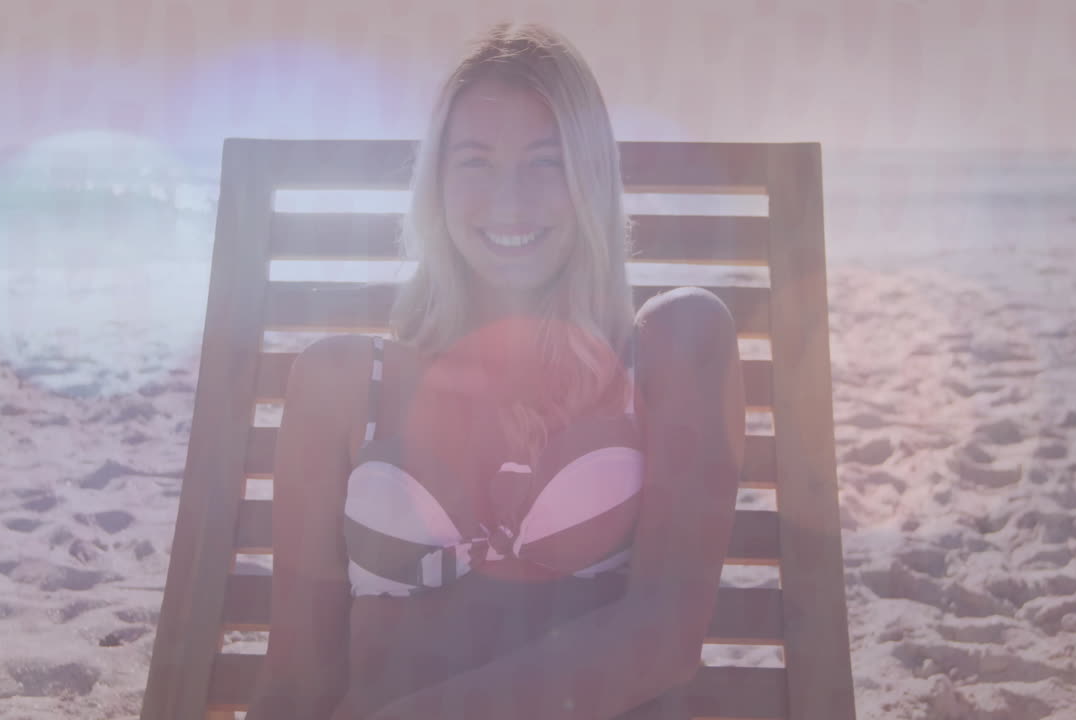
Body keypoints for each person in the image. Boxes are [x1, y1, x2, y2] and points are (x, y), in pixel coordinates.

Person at [245, 20, 745, 720]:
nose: (509, 201)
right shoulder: (340, 384)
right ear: (437, 183)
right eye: (476, 161)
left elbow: (664, 637)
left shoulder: (676, 345)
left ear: (591, 179)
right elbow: (298, 681)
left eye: (546, 162)